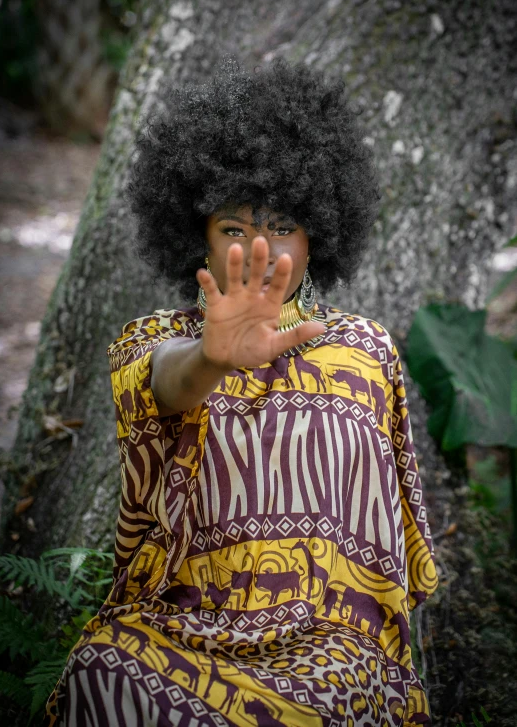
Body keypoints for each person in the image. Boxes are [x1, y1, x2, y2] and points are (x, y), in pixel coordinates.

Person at [45, 58, 438, 726]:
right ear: (195, 235)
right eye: (233, 228)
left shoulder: (367, 350)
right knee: (100, 670)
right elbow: (166, 383)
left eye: (282, 224)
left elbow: (399, 562)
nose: (259, 249)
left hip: (333, 646)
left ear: (319, 232)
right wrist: (211, 356)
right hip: (185, 636)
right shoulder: (151, 341)